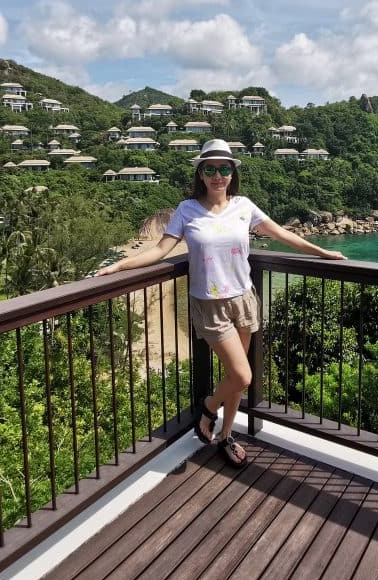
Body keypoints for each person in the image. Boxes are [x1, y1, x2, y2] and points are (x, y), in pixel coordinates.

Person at [96, 139, 346, 467]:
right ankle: (209, 407)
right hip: (210, 305)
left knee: (235, 375)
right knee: (242, 376)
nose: (218, 175)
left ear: (232, 174)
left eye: (224, 169)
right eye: (210, 169)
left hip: (243, 299)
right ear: (200, 174)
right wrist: (119, 266)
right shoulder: (187, 209)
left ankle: (226, 435)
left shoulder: (244, 206)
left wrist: (323, 252)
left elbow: (283, 235)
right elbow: (160, 250)